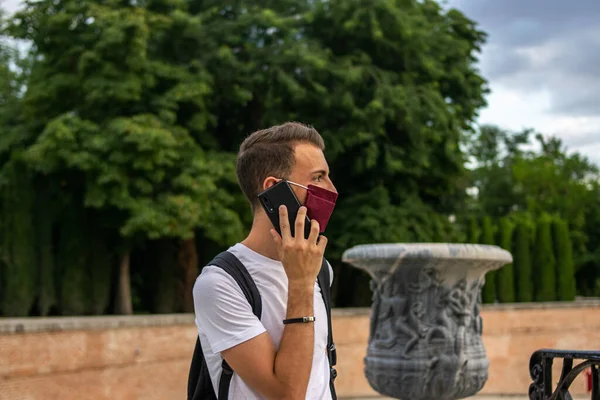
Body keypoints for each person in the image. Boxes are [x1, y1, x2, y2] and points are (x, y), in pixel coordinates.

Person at [192, 122, 338, 399]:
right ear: (275, 188)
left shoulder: (321, 270)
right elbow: (286, 393)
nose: (331, 189)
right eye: (318, 177)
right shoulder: (220, 283)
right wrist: (301, 283)